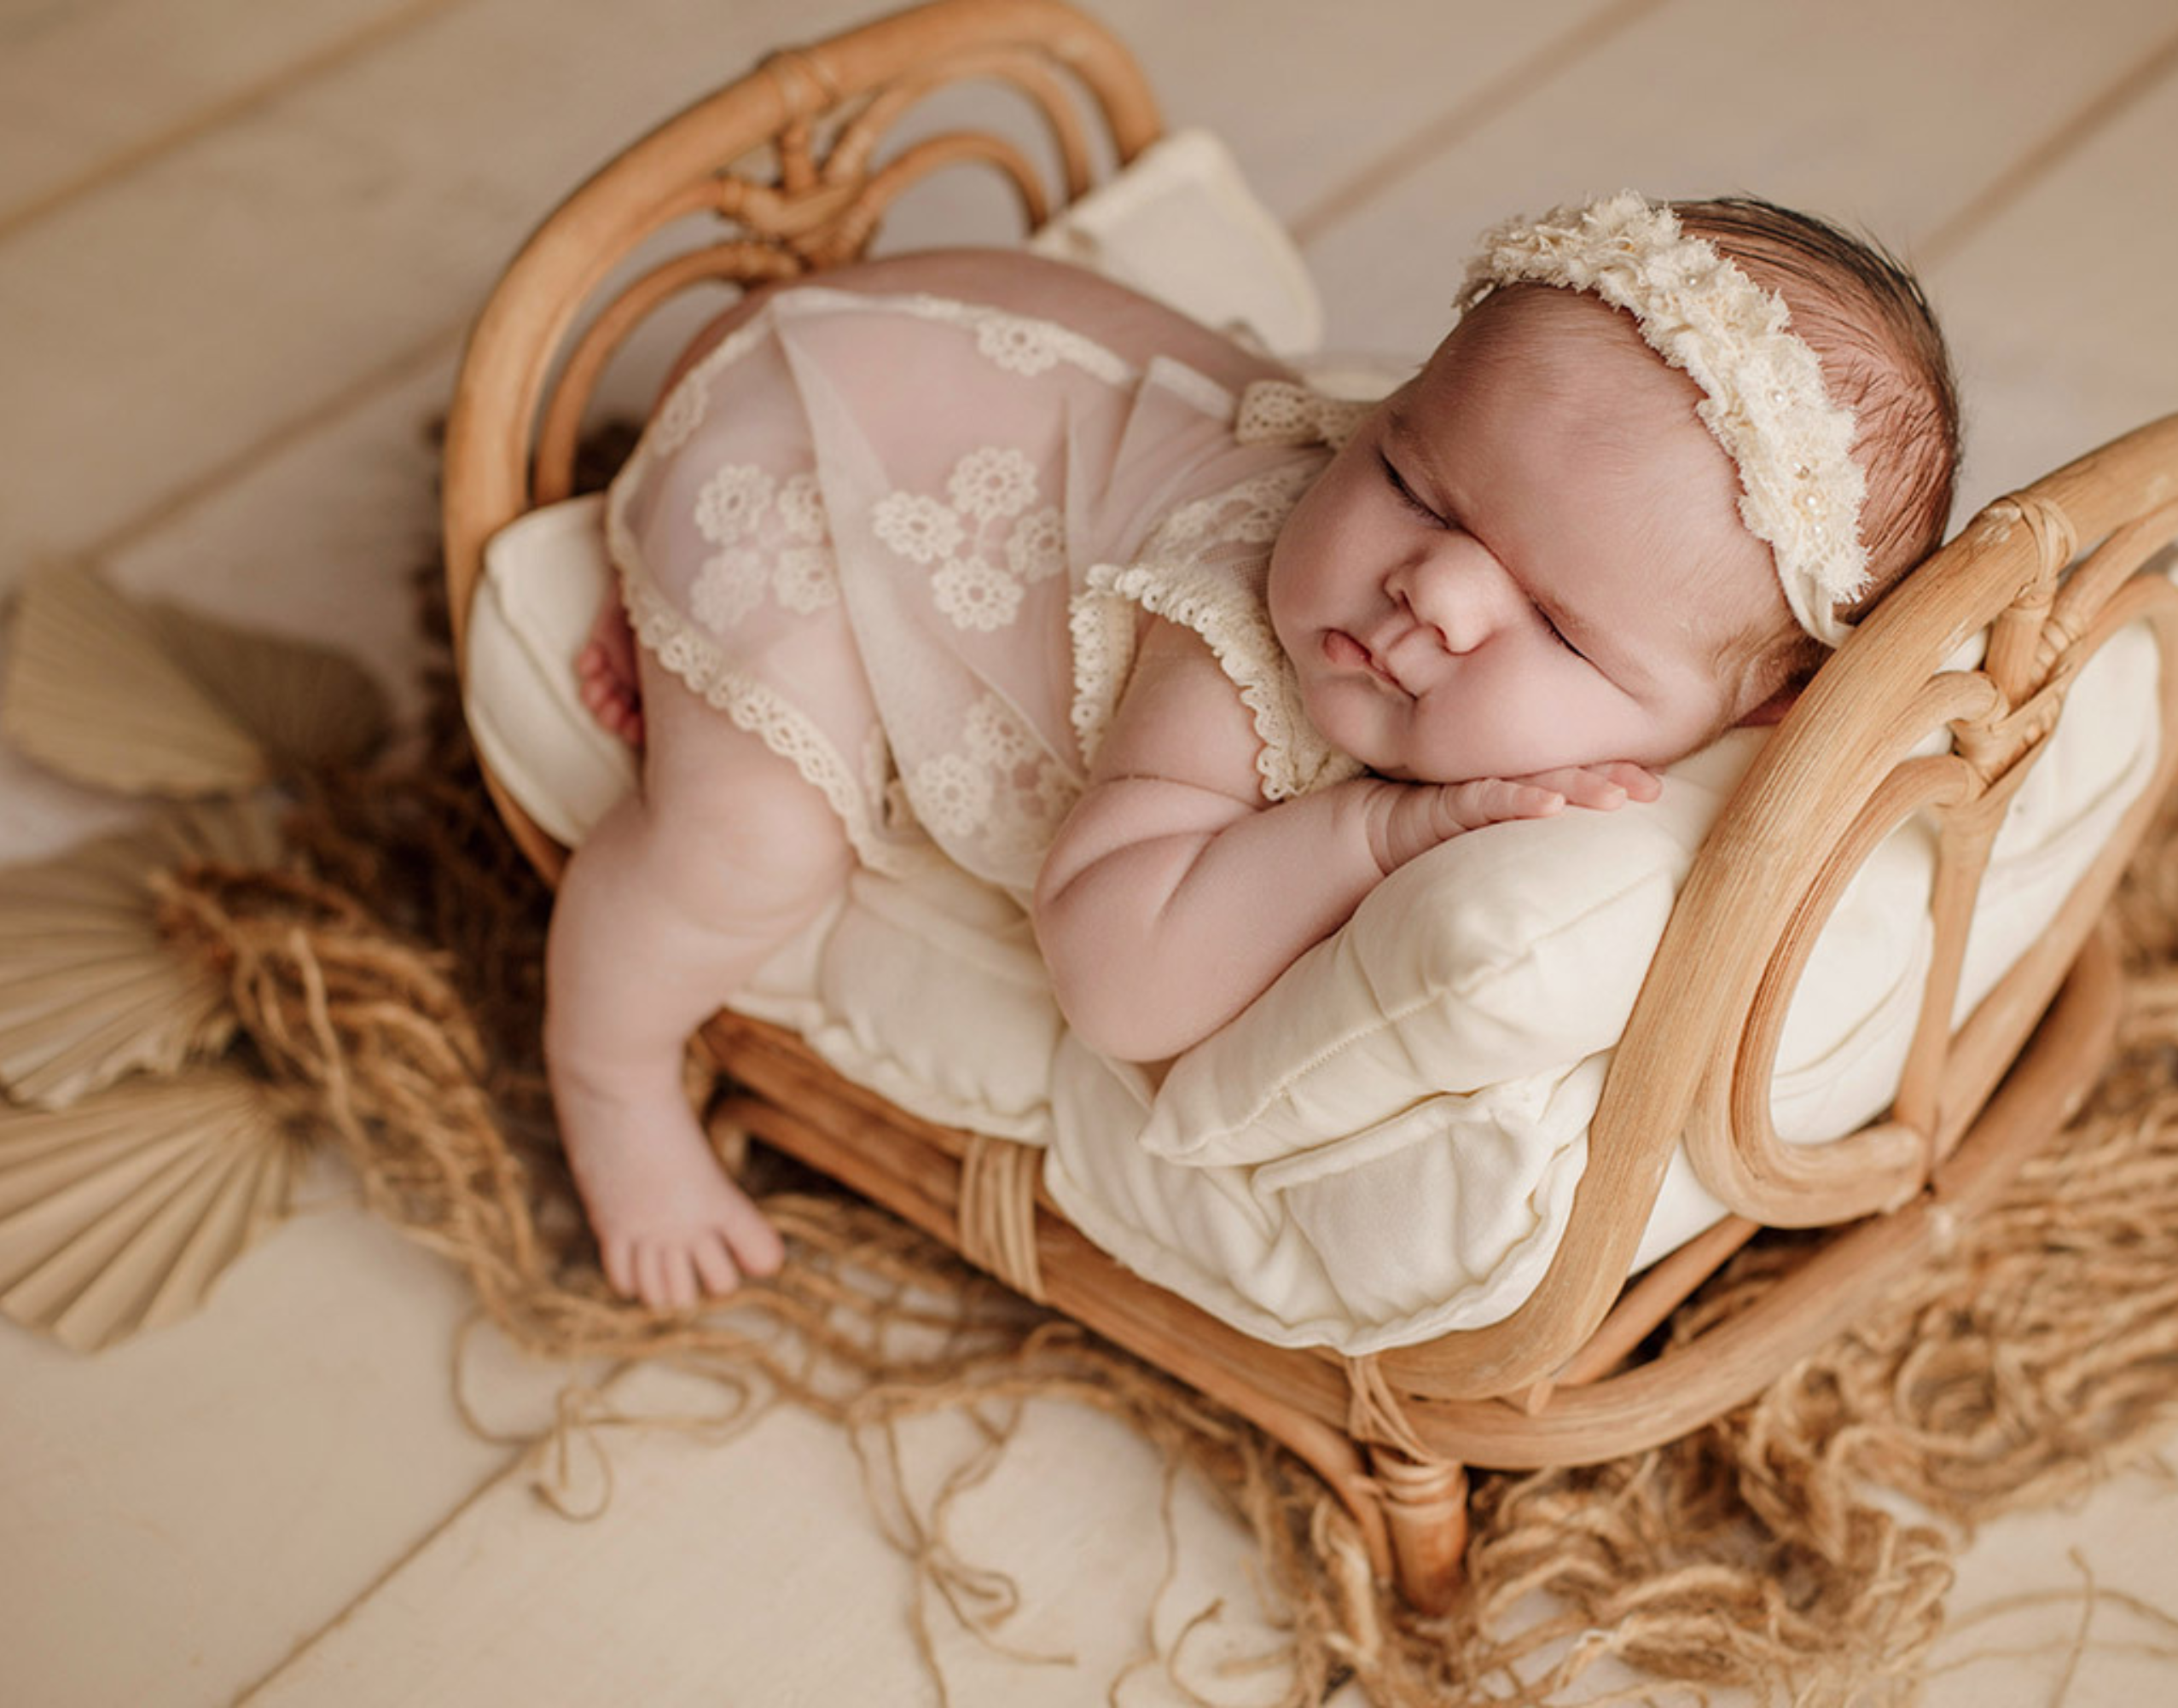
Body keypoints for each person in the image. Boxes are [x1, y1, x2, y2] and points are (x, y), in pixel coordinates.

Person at [550, 192, 1962, 1310]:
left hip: (938, 364)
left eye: (1556, 624)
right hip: (810, 442)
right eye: (1408, 474)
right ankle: (607, 1065)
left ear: (1760, 710)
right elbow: (1113, 969)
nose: (1436, 592)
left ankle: (655, 548)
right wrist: (1379, 833)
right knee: (749, 838)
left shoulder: (1641, 648)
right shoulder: (1235, 648)